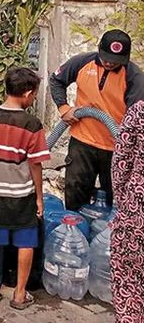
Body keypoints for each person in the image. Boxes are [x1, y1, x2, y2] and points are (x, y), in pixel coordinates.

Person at [0, 67, 49, 311]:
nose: (33, 99)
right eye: (34, 94)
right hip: (21, 193)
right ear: (27, 93)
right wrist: (39, 197)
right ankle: (20, 294)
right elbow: (35, 165)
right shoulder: (31, 124)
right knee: (26, 240)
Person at [49, 29, 144, 210]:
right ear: (99, 49)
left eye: (115, 61)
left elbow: (137, 116)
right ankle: (76, 231)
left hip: (117, 149)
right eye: (106, 57)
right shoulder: (82, 62)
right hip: (82, 142)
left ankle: (108, 237)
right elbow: (56, 81)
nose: (109, 63)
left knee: (115, 198)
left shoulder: (135, 77)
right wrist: (63, 108)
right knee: (75, 191)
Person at [110, 100, 144, 323]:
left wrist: (124, 202)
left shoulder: (140, 111)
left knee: (130, 275)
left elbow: (121, 162)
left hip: (137, 210)